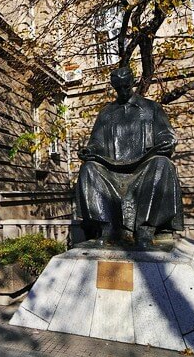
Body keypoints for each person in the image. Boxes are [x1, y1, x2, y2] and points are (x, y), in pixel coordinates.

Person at [75, 67, 184, 247]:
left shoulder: (151, 108)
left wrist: (167, 142)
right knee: (89, 168)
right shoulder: (106, 113)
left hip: (143, 169)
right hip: (112, 171)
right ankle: (107, 228)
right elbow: (97, 142)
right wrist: (90, 150)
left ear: (132, 83)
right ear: (113, 87)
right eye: (119, 88)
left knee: (162, 164)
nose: (123, 91)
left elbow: (166, 134)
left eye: (126, 86)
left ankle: (145, 230)